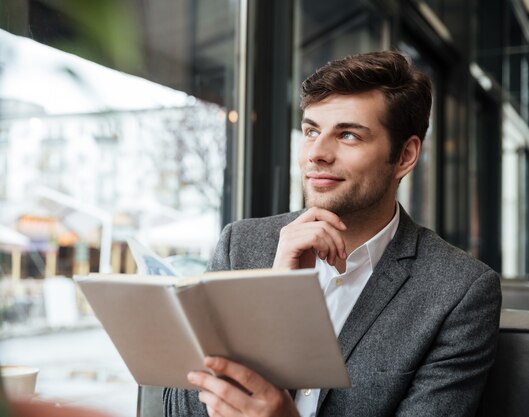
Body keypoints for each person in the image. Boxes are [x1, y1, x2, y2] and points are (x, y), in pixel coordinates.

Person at [163, 50, 501, 417]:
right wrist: (270, 297)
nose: (317, 153)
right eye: (311, 131)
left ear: (404, 156)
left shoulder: (460, 290)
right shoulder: (241, 245)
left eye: (349, 136)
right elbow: (178, 406)